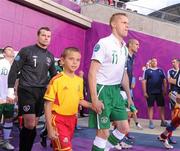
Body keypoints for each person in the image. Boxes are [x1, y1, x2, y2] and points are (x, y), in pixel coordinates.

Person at [88, 13, 134, 151]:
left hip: (116, 91)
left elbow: (124, 74)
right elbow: (92, 73)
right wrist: (94, 99)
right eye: (124, 22)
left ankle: (105, 149)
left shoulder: (125, 48)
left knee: (124, 127)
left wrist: (129, 98)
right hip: (102, 90)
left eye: (128, 23)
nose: (127, 25)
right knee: (103, 132)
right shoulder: (104, 43)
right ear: (113, 24)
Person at [7, 27, 57, 151]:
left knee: (32, 126)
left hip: (41, 93)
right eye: (43, 35)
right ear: (38, 36)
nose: (46, 38)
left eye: (48, 36)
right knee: (29, 124)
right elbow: (14, 70)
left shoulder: (50, 56)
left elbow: (55, 76)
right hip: (26, 90)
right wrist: (10, 91)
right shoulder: (26, 51)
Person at [44, 47, 93, 151]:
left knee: (61, 148)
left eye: (78, 60)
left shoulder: (79, 80)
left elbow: (80, 100)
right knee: (66, 148)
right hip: (58, 120)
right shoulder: (56, 80)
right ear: (62, 61)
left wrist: (92, 105)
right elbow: (47, 104)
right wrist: (49, 127)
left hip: (71, 120)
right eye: (71, 59)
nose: (75, 62)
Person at [142, 58, 168, 129]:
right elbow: (144, 82)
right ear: (151, 62)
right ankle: (151, 122)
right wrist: (144, 92)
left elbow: (164, 81)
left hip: (159, 92)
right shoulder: (147, 71)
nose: (154, 62)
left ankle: (163, 121)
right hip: (150, 93)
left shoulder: (161, 70)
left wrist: (165, 90)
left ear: (157, 62)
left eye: (155, 61)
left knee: (161, 106)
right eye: (153, 61)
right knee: (150, 107)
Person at [158, 67, 180, 149]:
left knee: (177, 120)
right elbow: (177, 84)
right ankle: (164, 137)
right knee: (177, 120)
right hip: (177, 96)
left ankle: (163, 136)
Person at [0, 46, 15, 150]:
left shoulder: (15, 66)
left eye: (12, 49)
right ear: (4, 53)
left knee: (9, 119)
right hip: (0, 97)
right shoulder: (1, 63)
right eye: (9, 49)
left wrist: (16, 94)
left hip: (10, 98)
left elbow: (17, 81)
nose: (11, 50)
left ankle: (5, 142)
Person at [166, 58, 179, 144]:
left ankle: (165, 135)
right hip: (173, 94)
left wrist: (175, 81)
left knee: (176, 116)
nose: (172, 63)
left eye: (174, 62)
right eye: (172, 62)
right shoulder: (170, 71)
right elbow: (169, 80)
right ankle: (167, 136)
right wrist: (176, 81)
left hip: (179, 94)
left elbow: (174, 81)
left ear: (178, 63)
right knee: (173, 114)